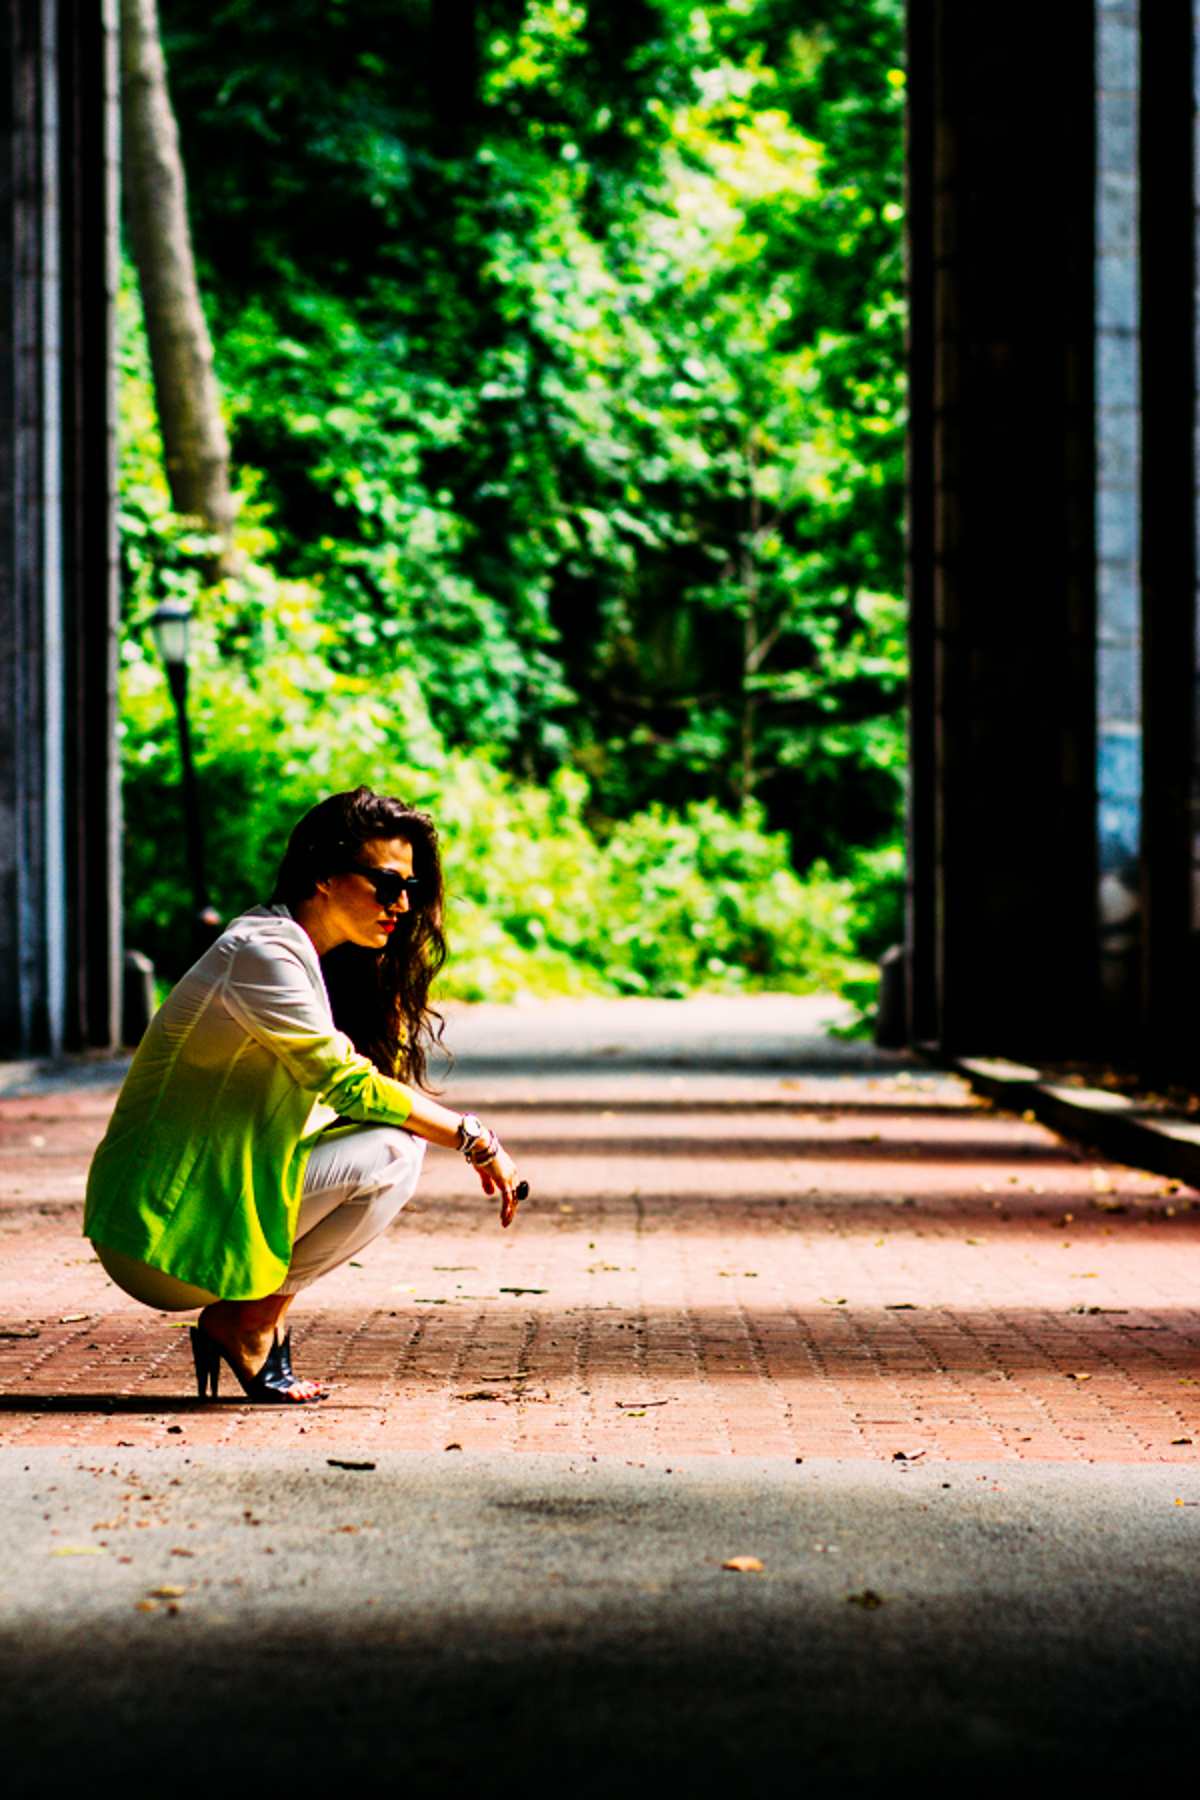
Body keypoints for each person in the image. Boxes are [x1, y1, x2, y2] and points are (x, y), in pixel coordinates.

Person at [83, 786, 524, 1404]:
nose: (401, 904)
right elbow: (348, 1081)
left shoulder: (300, 954)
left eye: (411, 889)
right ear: (322, 874)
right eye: (386, 883)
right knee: (396, 1152)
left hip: (197, 1209)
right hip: (160, 1231)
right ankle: (250, 1321)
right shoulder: (261, 953)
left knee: (388, 1143)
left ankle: (249, 1318)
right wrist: (473, 1138)